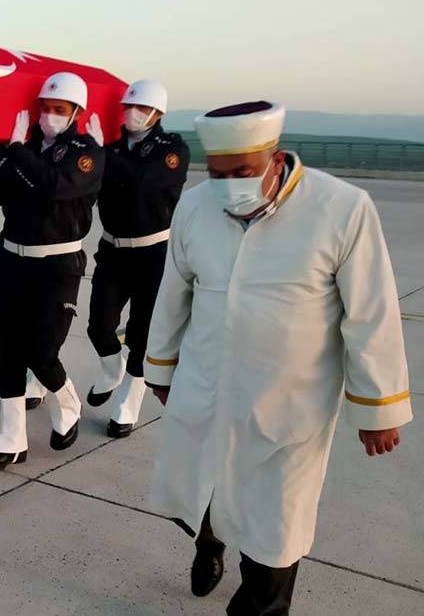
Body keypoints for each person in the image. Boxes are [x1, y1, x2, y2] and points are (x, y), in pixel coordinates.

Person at [145, 101, 411, 615]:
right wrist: (161, 365)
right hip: (207, 385)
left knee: (276, 524)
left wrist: (379, 407)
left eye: (242, 172)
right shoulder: (195, 207)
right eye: (218, 174)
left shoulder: (341, 208)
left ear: (274, 156)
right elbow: (173, 291)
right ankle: (209, 543)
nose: (229, 186)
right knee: (204, 489)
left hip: (291, 404)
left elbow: (371, 312)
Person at [0, 72, 104, 470]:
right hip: (10, 258)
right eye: (44, 108)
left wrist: (16, 151)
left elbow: (55, 186)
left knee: (42, 350)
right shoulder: (23, 147)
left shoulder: (87, 151)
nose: (49, 115)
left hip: (56, 265)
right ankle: (12, 436)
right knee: (10, 345)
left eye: (58, 109)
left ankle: (66, 399)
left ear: (76, 112)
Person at [83, 80, 189, 437]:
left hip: (153, 253)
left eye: (141, 108)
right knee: (99, 326)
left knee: (141, 333)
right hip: (112, 251)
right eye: (128, 107)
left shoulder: (172, 149)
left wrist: (102, 155)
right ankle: (112, 371)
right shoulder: (110, 147)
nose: (132, 113)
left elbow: (143, 179)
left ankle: (128, 403)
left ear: (157, 113)